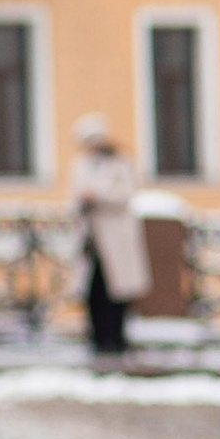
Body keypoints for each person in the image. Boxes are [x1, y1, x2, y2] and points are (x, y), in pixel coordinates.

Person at [70, 115, 149, 360]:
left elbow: (126, 194)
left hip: (115, 237)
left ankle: (116, 339)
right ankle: (98, 338)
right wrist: (82, 202)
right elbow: (73, 197)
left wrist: (98, 195)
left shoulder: (119, 164)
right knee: (93, 291)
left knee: (116, 292)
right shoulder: (81, 165)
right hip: (92, 238)